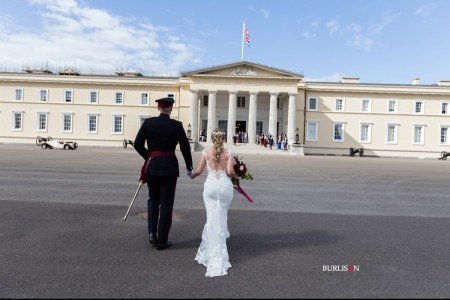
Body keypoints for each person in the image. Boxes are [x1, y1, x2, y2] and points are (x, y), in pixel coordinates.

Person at [134, 97, 193, 251]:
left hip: (152, 166)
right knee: (166, 203)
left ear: (158, 108)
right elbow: (185, 147)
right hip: (169, 167)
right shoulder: (176, 125)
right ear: (170, 109)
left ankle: (152, 234)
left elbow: (137, 144)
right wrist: (189, 166)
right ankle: (163, 240)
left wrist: (149, 156)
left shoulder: (148, 123)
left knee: (153, 199)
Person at [190, 128, 238, 277]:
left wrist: (191, 175)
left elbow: (198, 170)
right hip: (224, 187)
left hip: (210, 188)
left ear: (211, 138)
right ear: (223, 138)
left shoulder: (206, 152)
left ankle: (212, 248)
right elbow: (230, 172)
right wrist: (237, 178)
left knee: (211, 218)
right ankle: (219, 245)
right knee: (221, 216)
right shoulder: (228, 152)